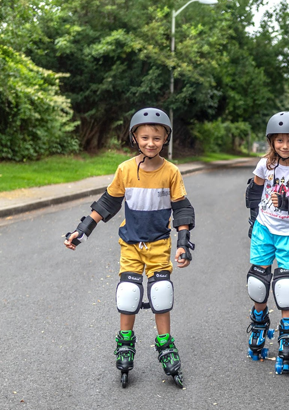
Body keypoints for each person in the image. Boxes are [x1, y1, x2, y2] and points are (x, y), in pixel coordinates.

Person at [64, 108, 196, 388]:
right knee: (129, 294)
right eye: (145, 137)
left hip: (159, 244)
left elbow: (182, 208)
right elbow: (107, 203)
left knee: (161, 293)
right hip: (131, 244)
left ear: (165, 139)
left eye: (157, 138)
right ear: (135, 137)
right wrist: (82, 230)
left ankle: (165, 343)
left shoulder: (171, 172)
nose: (151, 143)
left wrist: (183, 242)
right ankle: (125, 342)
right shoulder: (125, 169)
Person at [244, 112, 289, 375]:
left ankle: (287, 334)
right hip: (264, 229)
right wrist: (254, 219)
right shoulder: (265, 163)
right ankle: (259, 323)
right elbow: (254, 191)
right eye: (279, 140)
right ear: (271, 141)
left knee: (286, 285)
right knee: (258, 281)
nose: (284, 146)